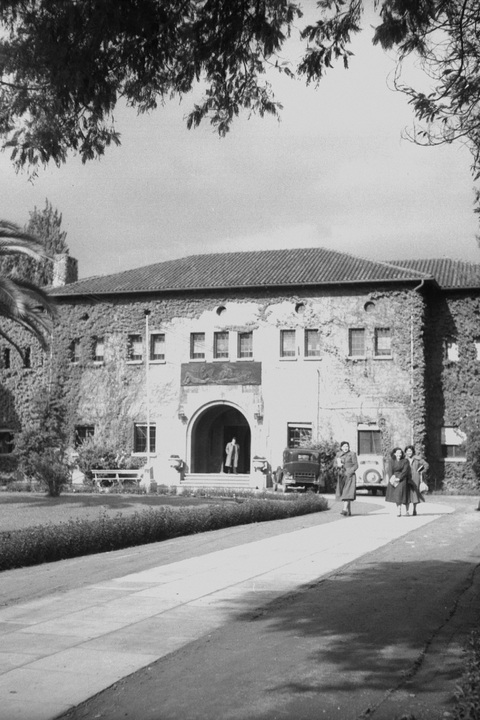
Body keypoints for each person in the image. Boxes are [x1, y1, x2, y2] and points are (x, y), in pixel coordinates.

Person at [385, 447, 413, 516]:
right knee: (397, 495)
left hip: (403, 479)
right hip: (394, 479)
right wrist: (392, 478)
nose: (399, 454)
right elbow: (390, 470)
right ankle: (399, 510)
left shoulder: (405, 461)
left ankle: (407, 511)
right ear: (394, 453)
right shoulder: (391, 461)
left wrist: (399, 478)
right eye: (397, 453)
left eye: (400, 453)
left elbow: (405, 470)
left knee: (404, 495)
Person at [335, 441, 358, 516]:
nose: (345, 448)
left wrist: (350, 472)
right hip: (341, 474)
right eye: (344, 446)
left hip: (349, 475)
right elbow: (334, 464)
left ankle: (344, 509)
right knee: (344, 492)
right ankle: (348, 511)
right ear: (341, 447)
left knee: (347, 492)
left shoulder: (352, 454)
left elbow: (356, 465)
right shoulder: (338, 454)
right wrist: (338, 465)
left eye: (347, 446)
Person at [404, 445, 429, 515]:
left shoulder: (417, 459)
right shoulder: (404, 459)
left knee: (415, 493)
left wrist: (421, 471)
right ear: (405, 452)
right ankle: (407, 511)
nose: (409, 452)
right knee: (407, 493)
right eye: (407, 451)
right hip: (406, 477)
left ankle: (414, 510)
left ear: (413, 451)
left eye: (410, 451)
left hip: (415, 477)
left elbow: (426, 465)